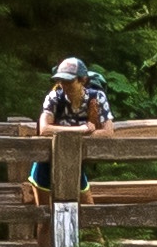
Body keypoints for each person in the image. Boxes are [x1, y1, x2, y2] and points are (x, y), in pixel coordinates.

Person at [30, 54, 115, 197]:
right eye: (61, 80)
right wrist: (81, 130)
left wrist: (66, 133)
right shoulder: (54, 97)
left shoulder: (97, 97)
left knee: (86, 206)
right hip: (47, 161)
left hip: (74, 161)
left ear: (83, 80)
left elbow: (108, 132)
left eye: (69, 81)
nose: (64, 85)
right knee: (45, 213)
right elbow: (44, 129)